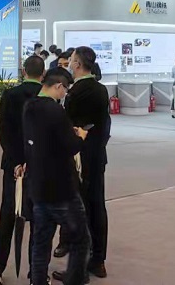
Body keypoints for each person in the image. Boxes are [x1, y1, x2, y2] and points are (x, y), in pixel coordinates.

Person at [24, 68, 90, 285]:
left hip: (38, 186)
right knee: (81, 239)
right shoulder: (55, 111)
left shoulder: (29, 107)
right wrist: (80, 136)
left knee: (41, 242)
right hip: (62, 188)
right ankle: (75, 280)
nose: (65, 94)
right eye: (65, 90)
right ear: (59, 86)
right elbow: (70, 146)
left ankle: (38, 281)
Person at [0, 54, 45, 284]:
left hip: (14, 168)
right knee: (40, 221)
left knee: (7, 216)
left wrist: (16, 162)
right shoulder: (47, 96)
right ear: (43, 74)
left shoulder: (10, 95)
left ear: (23, 71)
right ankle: (37, 273)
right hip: (40, 168)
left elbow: (4, 131)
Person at [58, 46, 110, 280]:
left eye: (71, 60)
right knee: (97, 206)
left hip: (78, 160)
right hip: (97, 156)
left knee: (79, 211)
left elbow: (67, 126)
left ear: (77, 64)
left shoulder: (74, 93)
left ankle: (78, 269)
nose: (69, 64)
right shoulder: (101, 90)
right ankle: (98, 259)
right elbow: (104, 127)